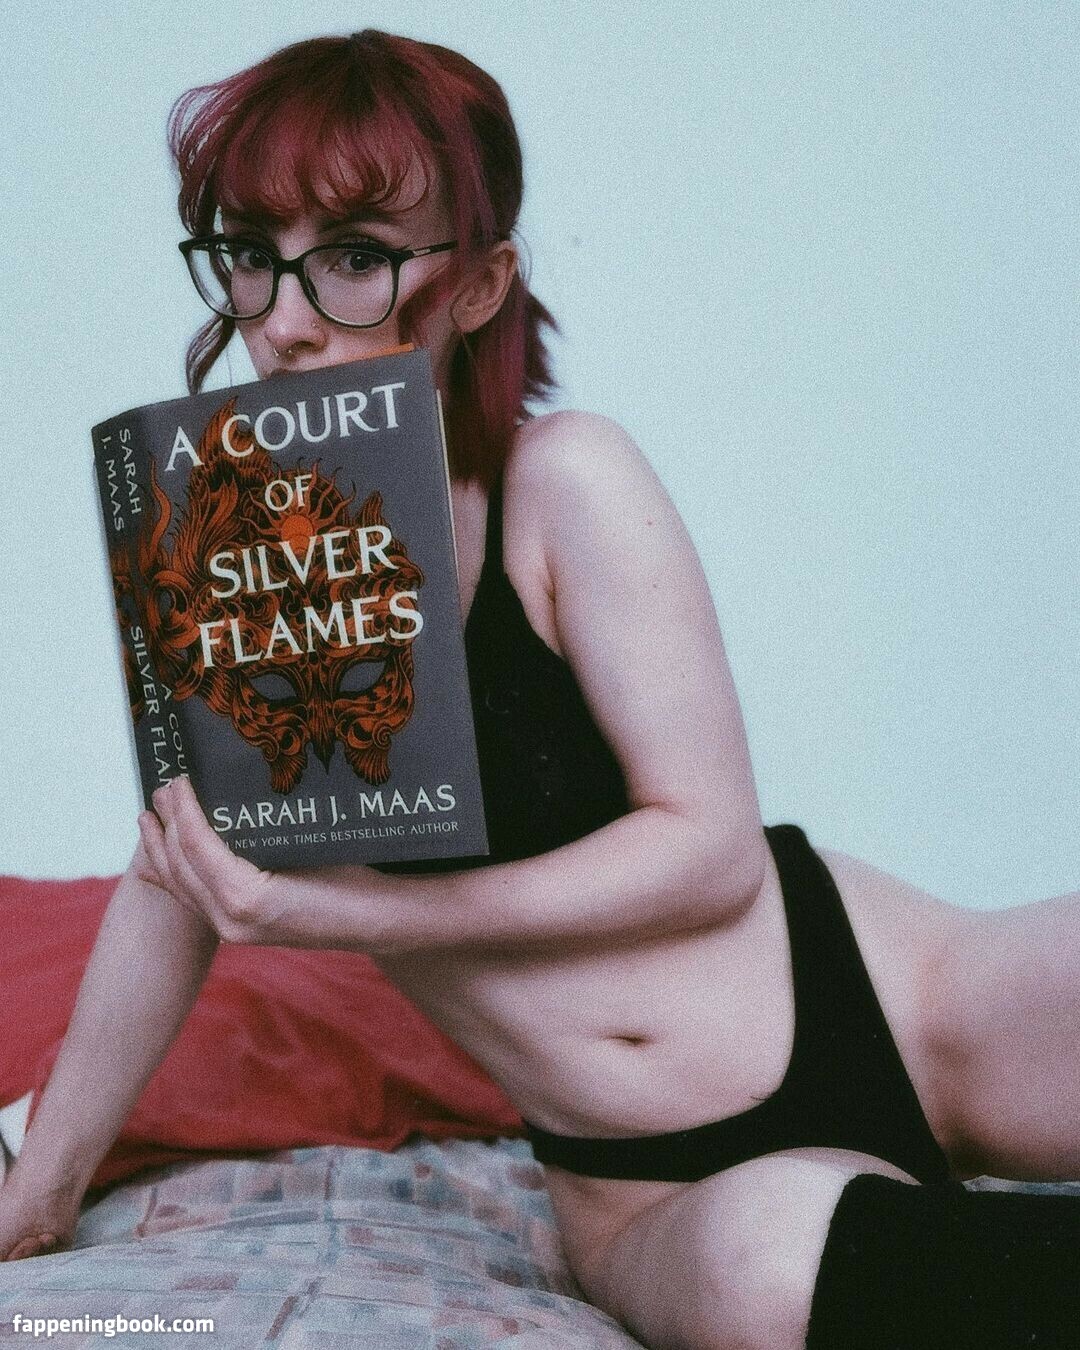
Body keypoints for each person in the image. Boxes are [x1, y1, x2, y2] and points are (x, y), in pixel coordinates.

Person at [4, 29, 1080, 1350]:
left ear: (476, 284)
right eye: (249, 253)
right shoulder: (240, 555)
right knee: (766, 1275)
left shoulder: (563, 481)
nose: (280, 321)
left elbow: (710, 854)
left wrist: (335, 914)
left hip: (902, 999)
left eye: (353, 256)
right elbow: (173, 876)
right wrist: (35, 1196)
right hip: (653, 1183)